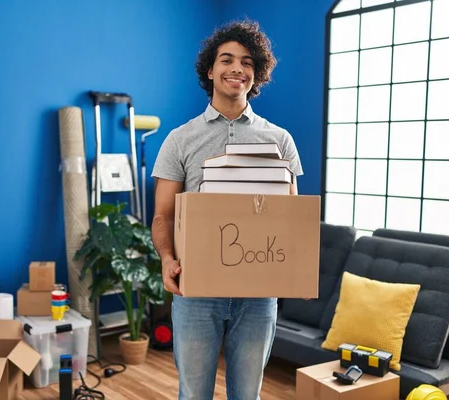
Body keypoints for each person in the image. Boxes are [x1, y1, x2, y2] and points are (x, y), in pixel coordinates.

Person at [150, 20, 304, 400]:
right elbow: (162, 216)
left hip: (258, 294)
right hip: (196, 291)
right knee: (194, 394)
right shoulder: (180, 139)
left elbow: (291, 216)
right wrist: (167, 258)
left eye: (247, 62)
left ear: (258, 73)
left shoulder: (279, 140)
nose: (237, 68)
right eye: (227, 60)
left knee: (246, 395)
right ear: (210, 70)